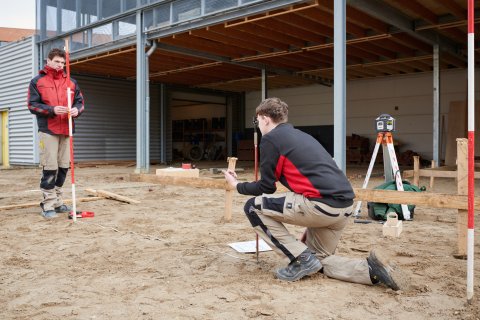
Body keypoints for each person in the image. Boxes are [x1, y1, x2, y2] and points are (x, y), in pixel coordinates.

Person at [224, 97, 407, 290]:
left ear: (265, 118)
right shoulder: (303, 136)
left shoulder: (271, 139)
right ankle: (371, 271)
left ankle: (300, 258)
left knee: (253, 206)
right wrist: (313, 219)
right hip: (343, 209)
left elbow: (266, 187)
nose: (259, 125)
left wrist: (237, 185)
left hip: (320, 206)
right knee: (319, 260)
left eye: (258, 121)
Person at [27, 48, 85, 219]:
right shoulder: (37, 81)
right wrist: (52, 110)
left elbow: (80, 102)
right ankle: (48, 204)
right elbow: (32, 105)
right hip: (48, 130)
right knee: (50, 167)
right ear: (48, 61)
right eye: (57, 62)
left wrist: (76, 110)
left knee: (63, 167)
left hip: (67, 130)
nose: (60, 65)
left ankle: (58, 202)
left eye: (62, 62)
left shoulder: (71, 82)